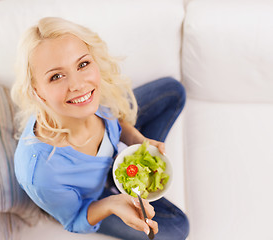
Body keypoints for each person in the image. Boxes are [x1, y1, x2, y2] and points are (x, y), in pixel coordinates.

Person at [11, 17, 189, 240]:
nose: (78, 85)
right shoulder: (41, 175)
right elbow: (74, 219)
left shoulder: (89, 99)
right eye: (56, 76)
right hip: (95, 198)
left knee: (172, 92)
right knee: (179, 229)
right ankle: (118, 188)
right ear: (37, 92)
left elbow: (113, 120)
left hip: (114, 156)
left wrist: (135, 139)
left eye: (83, 64)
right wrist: (112, 204)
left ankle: (133, 168)